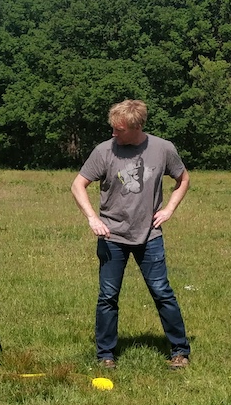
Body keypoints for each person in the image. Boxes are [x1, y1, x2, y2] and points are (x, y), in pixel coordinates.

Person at [71, 99, 191, 370]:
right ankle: (105, 355)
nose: (114, 133)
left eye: (120, 129)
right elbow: (78, 185)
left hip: (150, 237)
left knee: (162, 292)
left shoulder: (163, 149)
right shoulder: (104, 151)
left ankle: (180, 351)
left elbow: (183, 179)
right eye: (112, 128)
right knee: (108, 296)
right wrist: (93, 218)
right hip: (112, 237)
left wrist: (170, 208)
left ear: (137, 127)